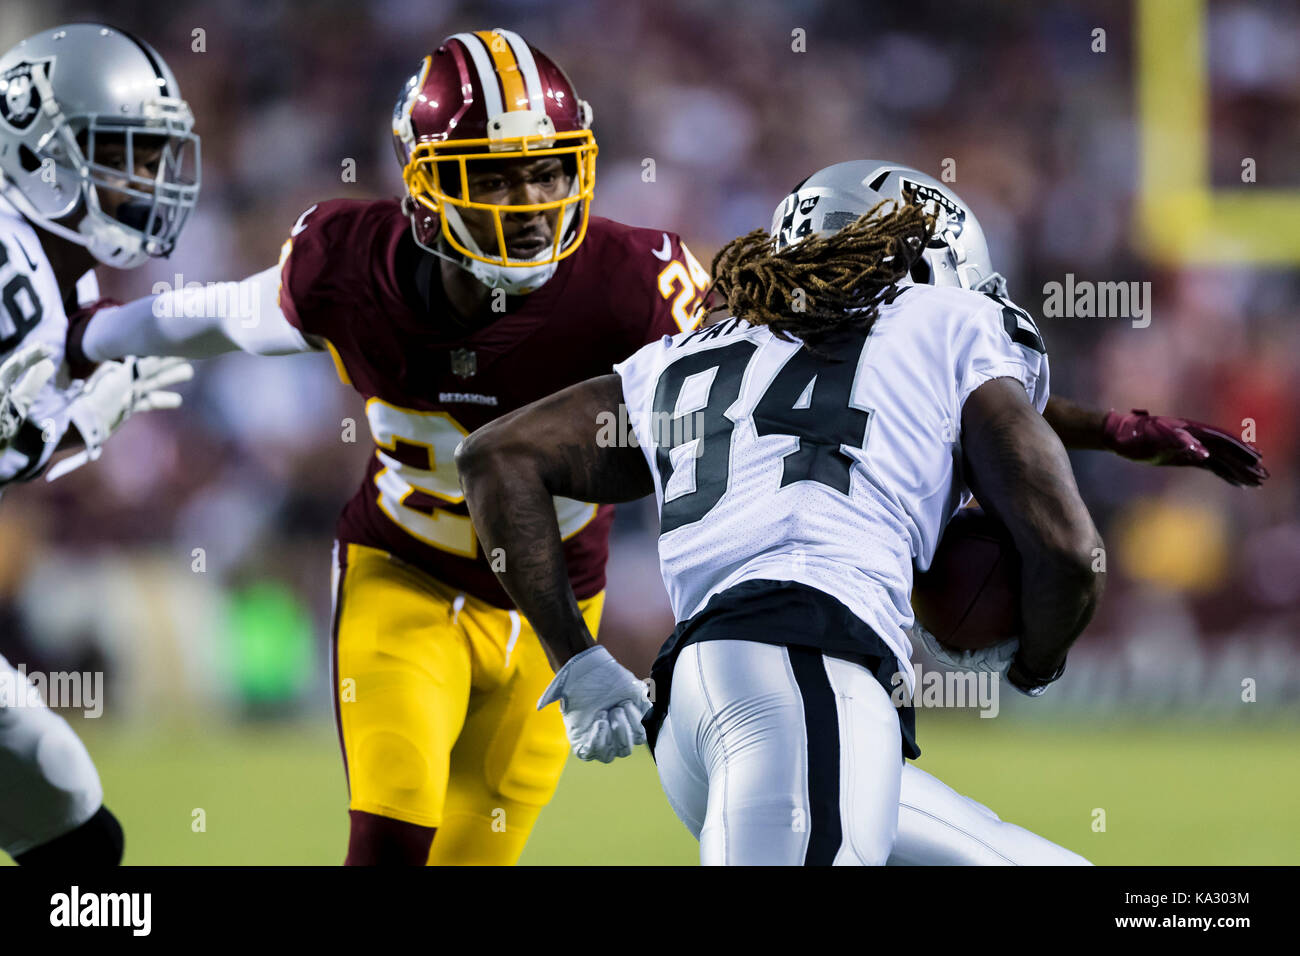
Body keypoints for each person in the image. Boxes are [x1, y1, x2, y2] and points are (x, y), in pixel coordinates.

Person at [66, 29, 712, 866]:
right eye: (494, 175)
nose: (529, 202)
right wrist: (92, 337)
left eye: (547, 169)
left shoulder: (634, 284)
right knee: (390, 838)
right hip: (403, 576)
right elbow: (223, 313)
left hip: (555, 610)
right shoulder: (350, 270)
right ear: (426, 188)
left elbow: (734, 418)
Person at [0, 22, 198, 865]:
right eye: (123, 153)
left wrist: (54, 430)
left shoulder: (49, 263)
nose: (146, 180)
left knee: (68, 816)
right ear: (40, 151)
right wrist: (65, 429)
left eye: (153, 158)